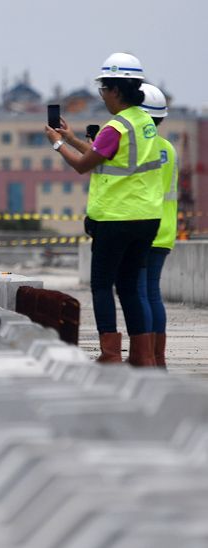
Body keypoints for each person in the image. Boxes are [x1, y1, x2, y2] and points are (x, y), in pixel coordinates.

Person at [44, 52, 163, 366]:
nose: (102, 96)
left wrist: (57, 144)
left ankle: (110, 354)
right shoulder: (144, 123)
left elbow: (84, 165)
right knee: (130, 287)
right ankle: (142, 357)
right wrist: (72, 138)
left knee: (101, 285)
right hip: (147, 218)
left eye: (103, 90)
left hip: (115, 219)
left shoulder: (116, 127)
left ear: (115, 90)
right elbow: (104, 155)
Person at [136, 83, 178, 368]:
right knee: (152, 292)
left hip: (143, 227)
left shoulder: (141, 147)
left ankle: (144, 356)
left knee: (139, 293)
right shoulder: (168, 148)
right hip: (165, 231)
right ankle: (157, 357)